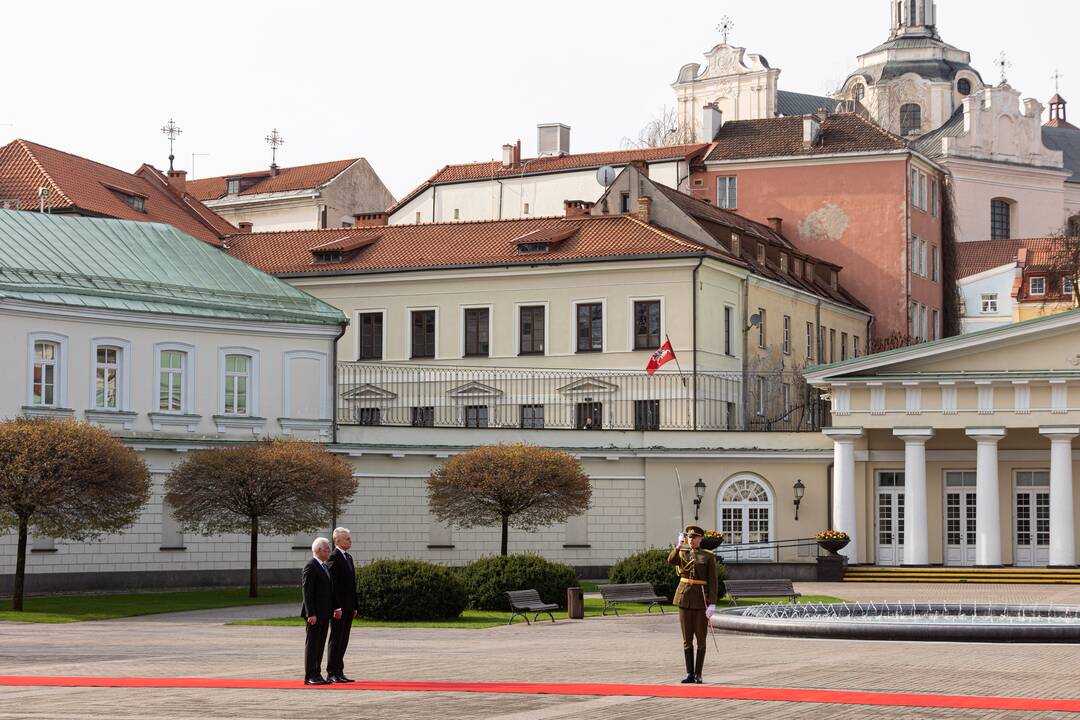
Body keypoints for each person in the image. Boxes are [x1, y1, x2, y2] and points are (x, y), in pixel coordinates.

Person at [667, 525, 718, 684]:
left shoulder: (708, 556)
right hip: (684, 598)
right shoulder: (682, 553)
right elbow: (671, 561)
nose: (691, 540)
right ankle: (689, 673)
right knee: (686, 639)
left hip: (701, 599)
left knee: (701, 639)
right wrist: (678, 545)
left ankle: (698, 674)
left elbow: (713, 582)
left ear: (700, 539)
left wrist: (712, 604)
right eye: (689, 537)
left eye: (694, 538)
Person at [326, 527, 359, 683]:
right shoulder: (333, 557)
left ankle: (339, 670)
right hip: (339, 607)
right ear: (337, 541)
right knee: (336, 638)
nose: (350, 541)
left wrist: (355, 606)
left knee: (344, 638)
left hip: (348, 606)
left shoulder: (348, 557)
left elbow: (352, 585)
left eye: (350, 538)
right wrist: (336, 606)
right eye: (347, 538)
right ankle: (332, 671)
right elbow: (333, 586)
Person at [301, 537, 335, 685]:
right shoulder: (311, 566)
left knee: (320, 644)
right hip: (314, 614)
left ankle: (317, 673)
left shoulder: (324, 566)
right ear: (319, 551)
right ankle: (310, 675)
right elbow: (307, 592)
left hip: (324, 613)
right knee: (313, 644)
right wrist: (310, 613)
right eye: (327, 549)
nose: (329, 551)